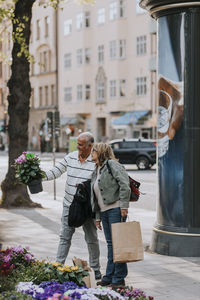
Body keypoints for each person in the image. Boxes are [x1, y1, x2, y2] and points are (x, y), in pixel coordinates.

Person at [43, 132, 101, 280]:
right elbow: (56, 171)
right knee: (64, 237)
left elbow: (102, 183)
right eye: (78, 144)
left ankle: (95, 269)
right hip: (69, 205)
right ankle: (58, 266)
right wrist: (39, 176)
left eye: (81, 145)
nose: (78, 147)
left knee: (92, 239)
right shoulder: (71, 156)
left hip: (87, 208)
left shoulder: (96, 161)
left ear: (90, 146)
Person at [90, 142, 130, 287]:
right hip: (104, 212)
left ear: (100, 152)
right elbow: (96, 197)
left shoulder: (112, 165)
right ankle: (110, 276)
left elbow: (124, 184)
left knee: (117, 244)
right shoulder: (96, 169)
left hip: (115, 209)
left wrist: (124, 206)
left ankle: (118, 278)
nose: (91, 153)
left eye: (94, 151)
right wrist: (98, 217)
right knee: (111, 244)